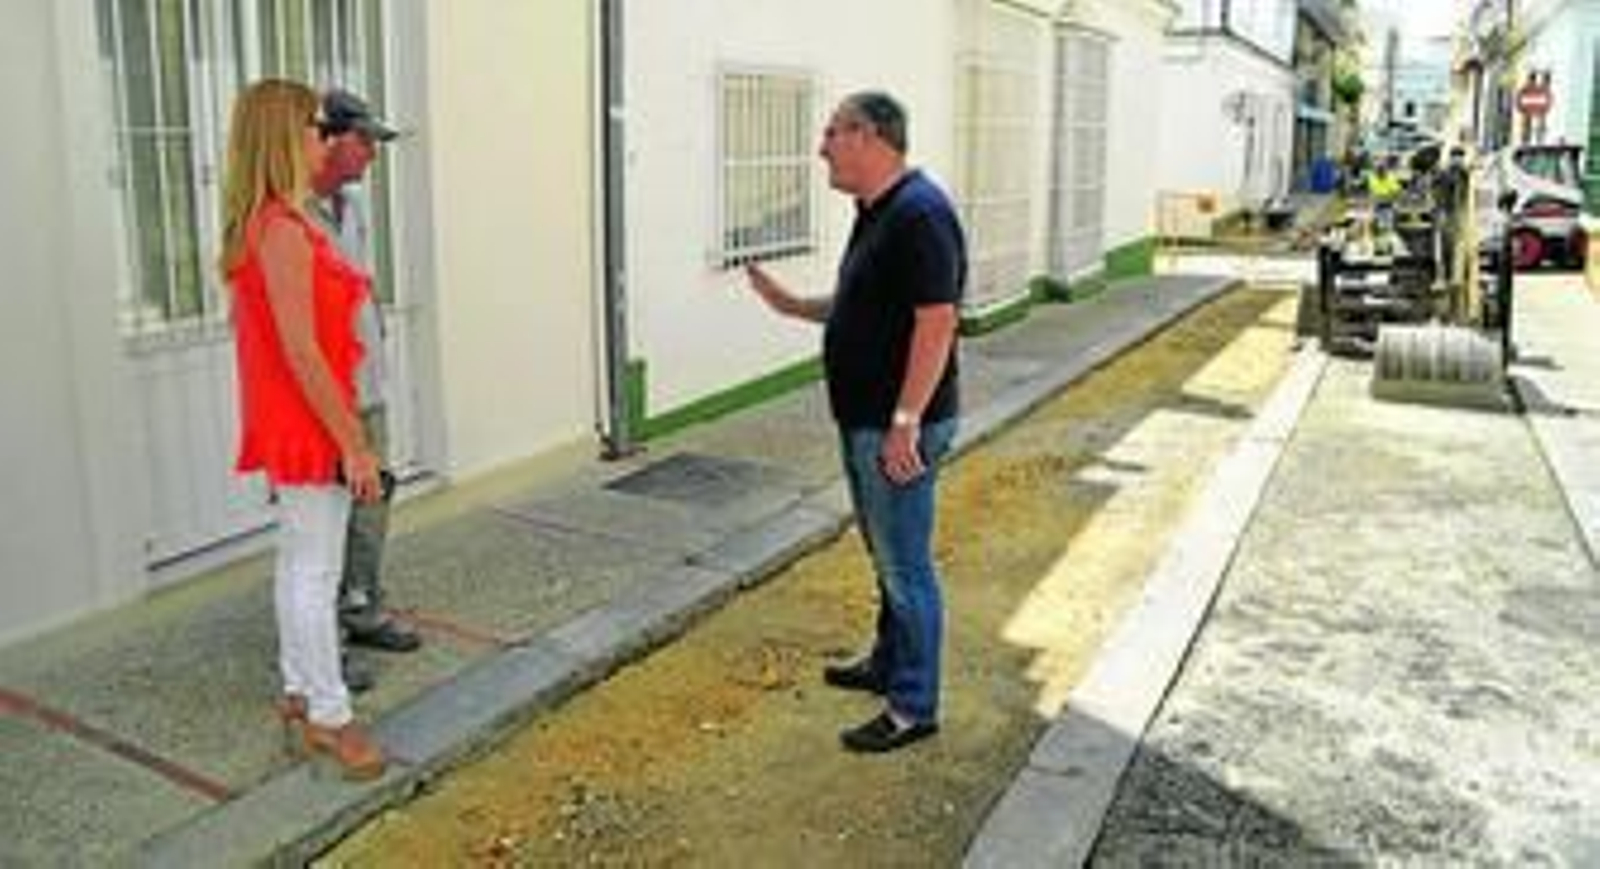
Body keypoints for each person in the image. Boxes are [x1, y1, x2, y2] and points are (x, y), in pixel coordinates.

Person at [744, 91, 965, 753]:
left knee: (906, 565)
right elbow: (862, 303)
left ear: (869, 136)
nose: (822, 147)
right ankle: (888, 663)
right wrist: (791, 306)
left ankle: (913, 706)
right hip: (865, 418)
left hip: (896, 426)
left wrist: (905, 421)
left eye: (832, 133)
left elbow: (937, 320)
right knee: (885, 555)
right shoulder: (876, 211)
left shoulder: (921, 214)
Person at [220, 79, 386, 780]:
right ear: (287, 136)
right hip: (309, 421)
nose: (324, 136)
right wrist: (352, 442)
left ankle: (299, 689)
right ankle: (330, 714)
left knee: (298, 562)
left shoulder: (261, 222)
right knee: (315, 572)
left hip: (291, 416)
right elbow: (302, 348)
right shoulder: (282, 229)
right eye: (316, 126)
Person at [308, 90, 421, 691]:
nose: (372, 153)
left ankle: (362, 607)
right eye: (364, 140)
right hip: (325, 394)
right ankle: (321, 643)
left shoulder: (351, 207)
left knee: (372, 505)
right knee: (327, 518)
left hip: (366, 381)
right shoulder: (294, 213)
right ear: (327, 137)